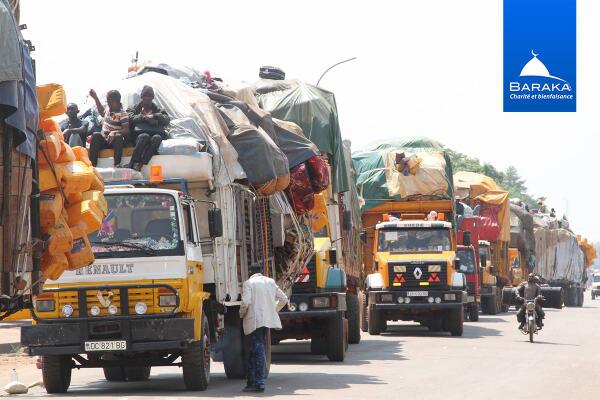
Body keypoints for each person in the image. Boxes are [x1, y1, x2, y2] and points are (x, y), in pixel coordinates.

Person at [239, 269, 288, 393]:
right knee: (253, 350)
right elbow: (284, 298)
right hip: (266, 320)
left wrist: (241, 314)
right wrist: (274, 310)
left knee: (257, 348)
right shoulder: (270, 282)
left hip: (254, 321)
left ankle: (259, 382)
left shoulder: (249, 283)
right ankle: (250, 382)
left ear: (251, 273)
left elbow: (245, 302)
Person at [127, 85, 170, 171]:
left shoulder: (157, 109)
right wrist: (143, 117)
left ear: (152, 97)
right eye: (145, 96)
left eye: (149, 96)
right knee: (144, 136)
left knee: (157, 138)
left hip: (154, 134)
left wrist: (155, 116)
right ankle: (132, 162)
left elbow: (167, 119)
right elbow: (129, 117)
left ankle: (141, 164)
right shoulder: (135, 108)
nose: (147, 98)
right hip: (138, 137)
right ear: (141, 97)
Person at [88, 89, 129, 167]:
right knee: (96, 135)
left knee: (118, 136)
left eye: (108, 101)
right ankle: (92, 165)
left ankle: (117, 164)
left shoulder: (123, 114)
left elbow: (126, 130)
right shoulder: (108, 109)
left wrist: (114, 132)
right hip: (104, 139)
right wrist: (95, 98)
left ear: (114, 101)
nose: (107, 103)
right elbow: (102, 113)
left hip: (114, 141)